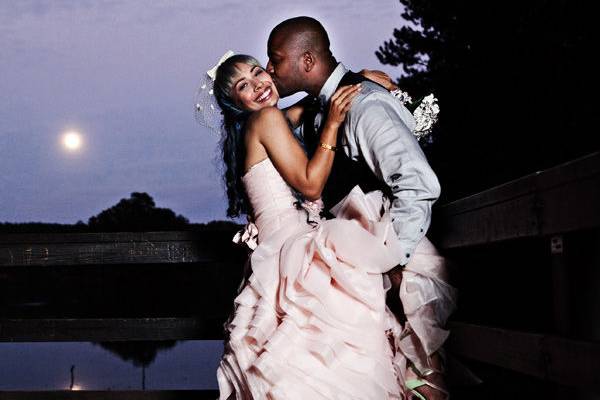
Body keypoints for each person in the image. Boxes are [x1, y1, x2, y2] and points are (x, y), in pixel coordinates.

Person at [207, 51, 427, 399]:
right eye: (243, 86)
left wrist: (357, 79)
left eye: (257, 72)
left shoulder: (262, 123)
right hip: (294, 254)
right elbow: (310, 185)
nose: (258, 85)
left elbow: (313, 105)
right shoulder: (265, 120)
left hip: (278, 256)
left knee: (311, 366)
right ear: (237, 103)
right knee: (332, 359)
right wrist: (334, 125)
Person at [265, 16, 456, 400]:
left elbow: (420, 183)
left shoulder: (364, 105)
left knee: (423, 382)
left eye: (276, 59)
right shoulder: (326, 109)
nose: (270, 69)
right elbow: (266, 123)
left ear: (306, 61)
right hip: (366, 265)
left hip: (402, 266)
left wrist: (392, 259)